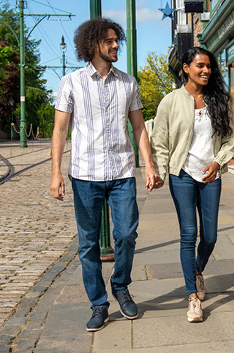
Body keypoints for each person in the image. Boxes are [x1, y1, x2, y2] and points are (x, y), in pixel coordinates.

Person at [49, 18, 161, 332]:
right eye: (109, 41)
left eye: (117, 40)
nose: (115, 46)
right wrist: (55, 173)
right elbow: (59, 130)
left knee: (126, 235)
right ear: (92, 44)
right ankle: (98, 304)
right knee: (88, 245)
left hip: (123, 173)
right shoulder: (71, 82)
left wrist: (148, 165)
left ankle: (121, 286)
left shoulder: (128, 83)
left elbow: (139, 127)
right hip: (84, 175)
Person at [150, 47, 234, 323]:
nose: (206, 71)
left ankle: (197, 270)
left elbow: (231, 137)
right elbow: (160, 140)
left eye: (209, 66)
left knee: (209, 236)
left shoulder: (220, 100)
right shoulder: (171, 101)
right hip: (182, 175)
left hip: (211, 174)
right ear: (186, 68)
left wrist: (218, 162)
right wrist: (160, 171)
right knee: (188, 234)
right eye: (200, 66)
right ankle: (192, 298)